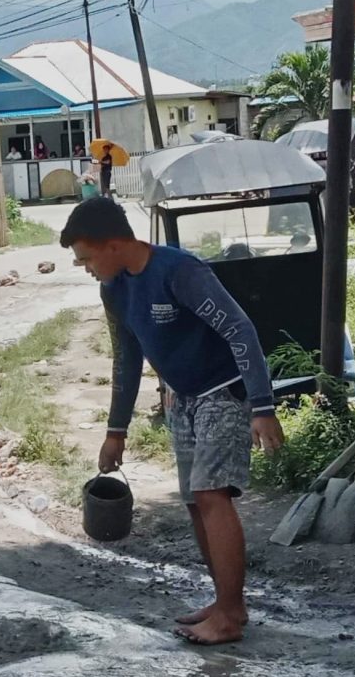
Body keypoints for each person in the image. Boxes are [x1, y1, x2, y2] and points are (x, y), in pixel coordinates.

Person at [62, 195, 285, 645]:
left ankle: (227, 617)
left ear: (111, 245)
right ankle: (229, 603)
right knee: (194, 500)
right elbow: (126, 359)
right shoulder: (115, 289)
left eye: (86, 258)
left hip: (224, 393)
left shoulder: (180, 271)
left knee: (210, 494)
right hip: (181, 400)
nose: (85, 267)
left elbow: (240, 330)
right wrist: (115, 432)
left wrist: (262, 407)